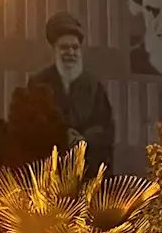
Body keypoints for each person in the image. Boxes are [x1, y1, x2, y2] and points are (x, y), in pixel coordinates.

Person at [28, 11, 115, 172]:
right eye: (64, 47)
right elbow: (30, 125)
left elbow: (104, 127)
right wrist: (62, 135)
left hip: (86, 169)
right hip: (47, 171)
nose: (71, 53)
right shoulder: (38, 83)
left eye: (75, 47)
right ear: (55, 50)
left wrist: (83, 140)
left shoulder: (94, 86)